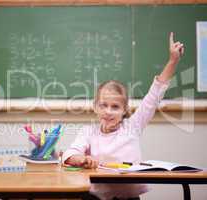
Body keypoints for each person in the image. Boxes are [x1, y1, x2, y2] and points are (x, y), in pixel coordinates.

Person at [62, 32, 184, 200]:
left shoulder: (133, 126)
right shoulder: (88, 132)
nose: (108, 111)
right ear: (95, 107)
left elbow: (154, 95)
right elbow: (69, 155)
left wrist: (173, 61)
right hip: (96, 197)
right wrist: (82, 159)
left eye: (115, 107)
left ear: (124, 110)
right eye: (103, 105)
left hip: (129, 198)